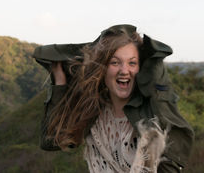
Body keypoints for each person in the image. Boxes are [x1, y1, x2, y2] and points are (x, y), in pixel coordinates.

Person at [34, 24, 194, 172]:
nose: (124, 70)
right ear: (102, 68)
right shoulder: (93, 112)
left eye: (132, 63)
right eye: (115, 62)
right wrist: (60, 81)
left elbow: (175, 155)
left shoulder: (150, 116)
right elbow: (51, 141)